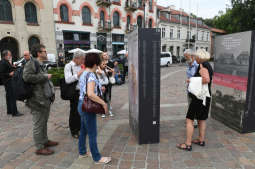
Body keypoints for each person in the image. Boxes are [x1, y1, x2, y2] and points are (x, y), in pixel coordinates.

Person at [23, 44, 58, 155]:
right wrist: (44, 77)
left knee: (44, 121)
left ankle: (45, 140)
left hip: (43, 98)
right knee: (38, 123)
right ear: (38, 53)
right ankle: (39, 147)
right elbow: (26, 77)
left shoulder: (39, 63)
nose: (46, 53)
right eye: (44, 51)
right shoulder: (31, 63)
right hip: (36, 100)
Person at [78, 53, 111, 164]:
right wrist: (104, 103)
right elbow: (91, 94)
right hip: (88, 106)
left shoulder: (84, 73)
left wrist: (99, 89)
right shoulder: (91, 75)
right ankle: (97, 158)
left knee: (83, 130)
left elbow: (85, 90)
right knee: (92, 133)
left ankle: (82, 152)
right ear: (95, 63)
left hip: (81, 104)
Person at [177, 49, 213, 151]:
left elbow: (206, 79)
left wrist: (191, 80)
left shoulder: (202, 65)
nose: (195, 58)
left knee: (189, 119)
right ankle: (201, 140)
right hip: (205, 96)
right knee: (201, 119)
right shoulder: (208, 65)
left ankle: (187, 144)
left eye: (196, 56)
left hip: (199, 97)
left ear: (199, 57)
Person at [64, 51, 85, 138]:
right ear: (77, 58)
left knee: (81, 111)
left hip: (82, 91)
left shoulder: (81, 66)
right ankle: (74, 130)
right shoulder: (68, 66)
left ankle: (80, 128)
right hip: (74, 92)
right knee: (74, 112)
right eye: (82, 59)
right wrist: (79, 74)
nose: (83, 61)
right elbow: (68, 80)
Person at [0, 50, 23, 117]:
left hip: (9, 81)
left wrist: (13, 67)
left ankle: (9, 110)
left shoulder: (6, 61)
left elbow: (8, 68)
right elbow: (1, 73)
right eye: (9, 54)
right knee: (12, 96)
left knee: (9, 96)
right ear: (5, 55)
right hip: (8, 81)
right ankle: (15, 112)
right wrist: (9, 74)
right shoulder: (3, 62)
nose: (10, 55)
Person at [184, 49, 199, 128]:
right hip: (189, 88)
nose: (186, 59)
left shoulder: (197, 65)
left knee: (194, 105)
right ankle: (191, 118)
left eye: (187, 57)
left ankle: (195, 121)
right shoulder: (189, 64)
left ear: (192, 56)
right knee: (190, 104)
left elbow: (200, 78)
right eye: (185, 57)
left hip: (195, 89)